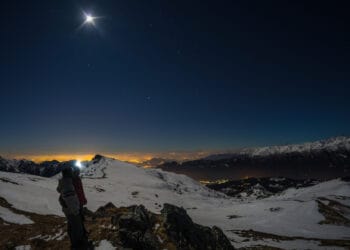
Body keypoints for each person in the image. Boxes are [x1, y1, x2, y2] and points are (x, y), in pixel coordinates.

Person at [57, 165, 88, 249]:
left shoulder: (69, 181)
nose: (76, 173)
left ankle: (77, 242)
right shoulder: (68, 183)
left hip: (72, 208)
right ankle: (77, 244)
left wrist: (82, 201)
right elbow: (70, 199)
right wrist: (76, 210)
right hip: (73, 209)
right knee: (76, 226)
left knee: (73, 225)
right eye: (73, 172)